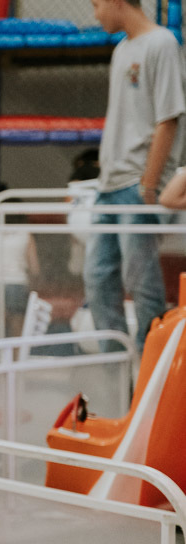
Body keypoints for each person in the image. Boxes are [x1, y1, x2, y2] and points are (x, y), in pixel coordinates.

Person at [86, 0, 186, 353]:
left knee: (142, 283)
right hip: (109, 184)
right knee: (98, 280)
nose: (95, 14)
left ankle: (151, 378)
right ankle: (117, 372)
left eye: (97, 4)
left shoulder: (162, 43)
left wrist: (149, 183)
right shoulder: (121, 49)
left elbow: (168, 118)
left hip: (135, 184)